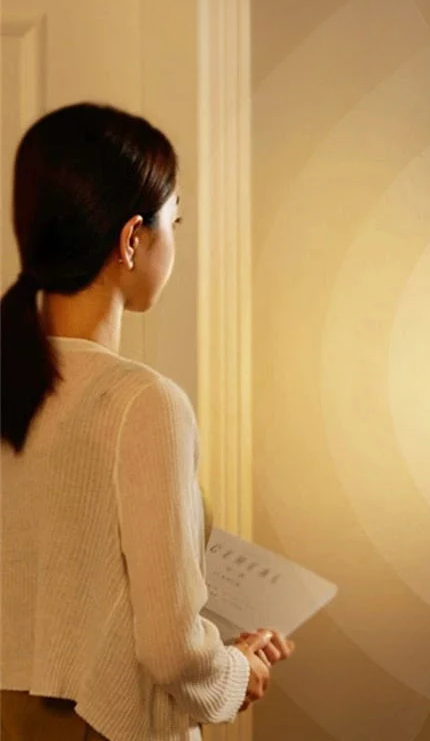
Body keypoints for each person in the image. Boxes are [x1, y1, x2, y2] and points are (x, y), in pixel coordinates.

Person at [0, 103, 293, 740]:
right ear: (132, 239)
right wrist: (236, 671)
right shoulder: (142, 403)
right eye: (173, 220)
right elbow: (170, 649)